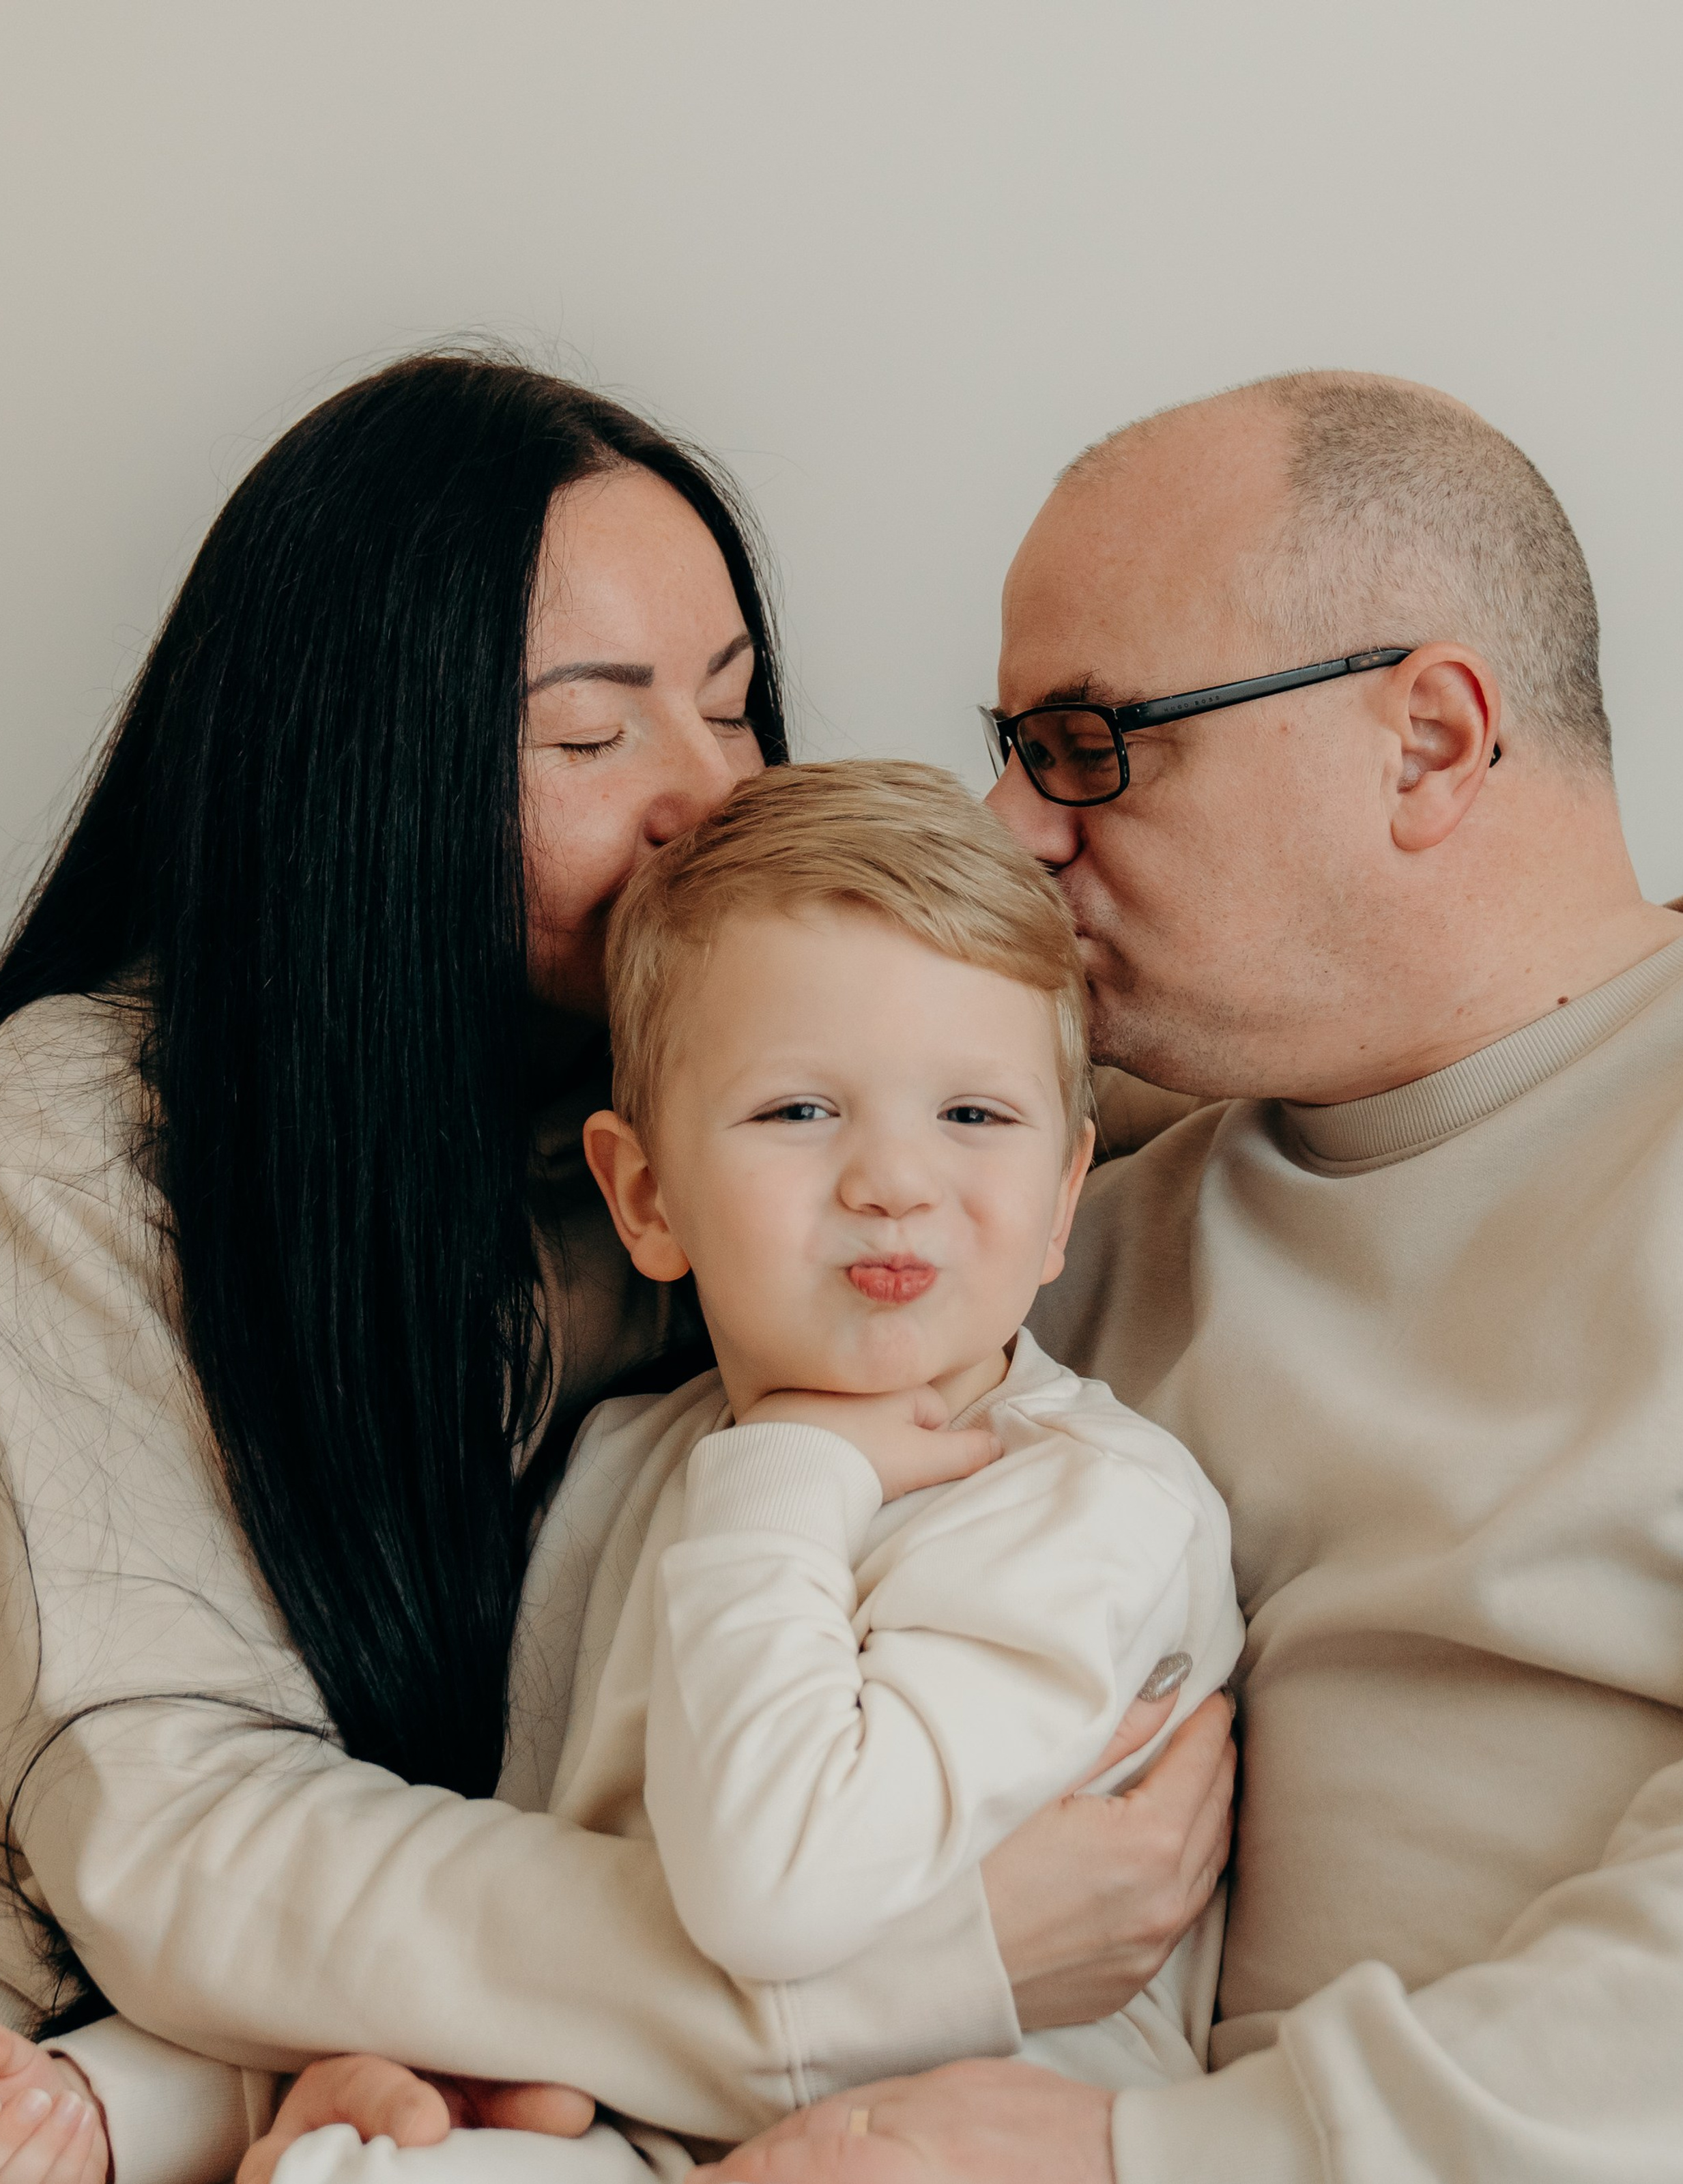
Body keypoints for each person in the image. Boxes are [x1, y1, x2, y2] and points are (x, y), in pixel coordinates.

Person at [0, 355, 1231, 2184]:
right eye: (592, 739)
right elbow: (179, 1838)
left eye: (735, 713)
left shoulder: (780, 1127)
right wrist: (904, 1978)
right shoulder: (94, 1147)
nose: (704, 799)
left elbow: (1053, 1080)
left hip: (430, 2061)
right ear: (366, 780)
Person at [697, 371, 1683, 2183]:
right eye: (1015, 747)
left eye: (1089, 743)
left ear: (1426, 742)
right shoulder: (1041, 1215)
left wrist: (1153, 2160)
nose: (1015, 826)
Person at [233, 760, 1245, 2183]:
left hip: (956, 2148)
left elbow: (779, 1890)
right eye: (797, 1113)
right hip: (655, 2113)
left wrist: (786, 1481)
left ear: (1063, 1196)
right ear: (645, 1197)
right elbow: (503, 1872)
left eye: (972, 1116)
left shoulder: (1086, 1508)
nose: (890, 1179)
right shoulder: (631, 1459)